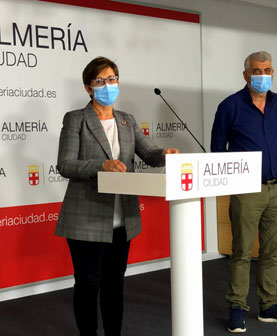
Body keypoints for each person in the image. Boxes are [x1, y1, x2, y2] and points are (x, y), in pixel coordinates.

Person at [56, 56, 178, 336]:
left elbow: (148, 151)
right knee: (88, 283)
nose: (107, 85)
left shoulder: (126, 120)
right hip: (86, 217)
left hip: (123, 217)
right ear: (89, 87)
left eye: (112, 79)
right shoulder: (76, 119)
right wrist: (102, 166)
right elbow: (65, 164)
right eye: (100, 81)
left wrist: (164, 154)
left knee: (115, 284)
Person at [211, 51, 277, 333]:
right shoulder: (230, 106)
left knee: (272, 252)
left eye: (267, 70)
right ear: (246, 74)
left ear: (273, 73)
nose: (262, 75)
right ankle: (237, 307)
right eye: (256, 71)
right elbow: (217, 149)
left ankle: (268, 305)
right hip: (246, 189)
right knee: (242, 252)